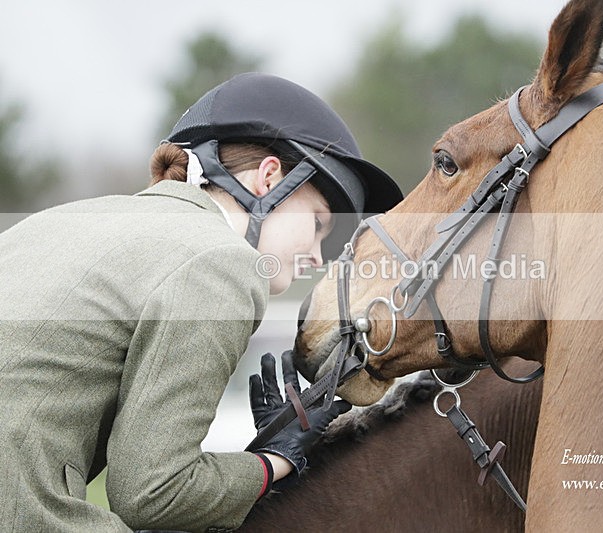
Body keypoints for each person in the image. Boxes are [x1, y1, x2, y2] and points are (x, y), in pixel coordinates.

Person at [0, 73, 403, 532]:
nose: (315, 255)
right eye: (316, 223)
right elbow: (154, 494)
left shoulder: (62, 220)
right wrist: (276, 462)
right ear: (268, 177)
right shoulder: (220, 263)